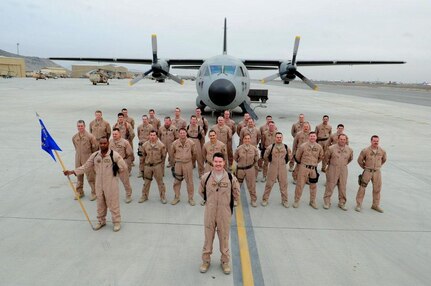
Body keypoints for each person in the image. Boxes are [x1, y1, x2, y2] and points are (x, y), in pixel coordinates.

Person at [63, 137, 127, 232]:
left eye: (104, 143)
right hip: (99, 183)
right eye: (101, 143)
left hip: (111, 183)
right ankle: (101, 221)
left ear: (108, 144)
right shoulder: (95, 155)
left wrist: (116, 169)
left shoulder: (114, 155)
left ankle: (116, 222)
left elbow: (124, 167)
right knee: (100, 203)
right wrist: (72, 172)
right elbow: (85, 167)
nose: (102, 145)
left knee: (113, 203)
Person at [199, 152, 240, 275]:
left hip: (224, 212)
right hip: (210, 212)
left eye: (220, 162)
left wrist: (226, 204)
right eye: (216, 161)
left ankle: (225, 261)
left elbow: (236, 193)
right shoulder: (205, 177)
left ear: (224, 163)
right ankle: (206, 261)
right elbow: (201, 191)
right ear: (212, 162)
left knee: (224, 237)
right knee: (208, 237)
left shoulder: (231, 178)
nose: (218, 164)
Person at [355, 135, 387, 213]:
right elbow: (359, 160)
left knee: (377, 189)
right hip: (367, 171)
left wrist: (378, 166)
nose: (376, 142)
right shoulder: (365, 150)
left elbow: (384, 160)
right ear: (371, 141)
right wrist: (365, 168)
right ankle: (358, 204)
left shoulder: (382, 151)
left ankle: (375, 205)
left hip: (377, 172)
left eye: (377, 141)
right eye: (374, 141)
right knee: (362, 188)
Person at [293, 132, 324, 209]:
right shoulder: (303, 146)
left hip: (313, 169)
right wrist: (303, 164)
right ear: (309, 137)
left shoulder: (319, 147)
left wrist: (314, 163)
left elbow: (321, 157)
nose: (312, 137)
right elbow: (297, 157)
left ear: (316, 137)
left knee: (313, 186)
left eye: (314, 136)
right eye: (311, 136)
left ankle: (312, 201)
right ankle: (296, 200)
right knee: (300, 185)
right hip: (304, 168)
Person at [323, 134, 353, 210]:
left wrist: (343, 164)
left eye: (344, 139)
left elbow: (350, 159)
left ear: (346, 140)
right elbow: (326, 158)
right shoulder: (331, 148)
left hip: (343, 169)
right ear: (338, 139)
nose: (342, 141)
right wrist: (328, 167)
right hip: (333, 168)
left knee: (342, 186)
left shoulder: (349, 149)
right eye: (341, 139)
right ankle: (327, 201)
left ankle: (342, 202)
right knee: (330, 185)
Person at [261, 132, 292, 208]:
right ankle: (265, 199)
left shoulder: (286, 147)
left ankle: (284, 200)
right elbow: (265, 156)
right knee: (269, 184)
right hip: (273, 167)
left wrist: (283, 162)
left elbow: (289, 157)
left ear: (282, 138)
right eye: (277, 137)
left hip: (282, 168)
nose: (279, 138)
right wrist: (272, 162)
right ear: (275, 138)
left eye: (280, 137)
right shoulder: (270, 147)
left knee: (284, 185)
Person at [72, 120, 98, 200]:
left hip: (87, 157)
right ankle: (80, 192)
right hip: (78, 157)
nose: (80, 127)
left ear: (84, 126)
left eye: (81, 126)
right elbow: (76, 147)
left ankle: (94, 192)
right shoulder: (74, 137)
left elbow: (95, 148)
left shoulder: (90, 137)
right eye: (78, 126)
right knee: (79, 175)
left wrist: (92, 158)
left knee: (90, 176)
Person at [139, 131, 167, 204]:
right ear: (149, 136)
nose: (152, 136)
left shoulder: (161, 145)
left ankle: (163, 196)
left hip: (157, 166)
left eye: (154, 135)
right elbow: (143, 156)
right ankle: (144, 196)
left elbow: (163, 156)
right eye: (151, 135)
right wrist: (142, 168)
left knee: (160, 182)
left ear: (156, 136)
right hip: (147, 166)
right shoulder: (145, 145)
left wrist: (160, 165)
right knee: (146, 182)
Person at [171, 128, 197, 206]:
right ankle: (177, 197)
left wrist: (190, 162)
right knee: (177, 181)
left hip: (187, 163)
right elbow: (172, 154)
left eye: (184, 133)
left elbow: (194, 153)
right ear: (179, 134)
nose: (182, 134)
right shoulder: (175, 143)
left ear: (186, 133)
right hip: (178, 164)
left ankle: (190, 198)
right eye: (181, 133)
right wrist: (175, 162)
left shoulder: (191, 143)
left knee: (189, 181)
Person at [233, 134, 259, 207]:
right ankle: (235, 199)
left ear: (250, 140)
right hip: (240, 169)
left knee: (252, 185)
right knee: (237, 185)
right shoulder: (239, 149)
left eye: (248, 138)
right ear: (243, 140)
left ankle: (253, 200)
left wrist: (251, 164)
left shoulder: (254, 149)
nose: (247, 140)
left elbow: (257, 157)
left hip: (250, 169)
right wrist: (241, 163)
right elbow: (235, 157)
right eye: (245, 139)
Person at [110, 128, 134, 203]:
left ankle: (128, 195)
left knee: (125, 181)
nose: (114, 135)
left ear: (119, 134)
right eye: (113, 134)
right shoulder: (110, 141)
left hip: (122, 163)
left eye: (116, 134)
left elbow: (129, 153)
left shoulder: (125, 142)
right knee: (111, 181)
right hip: (112, 163)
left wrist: (125, 162)